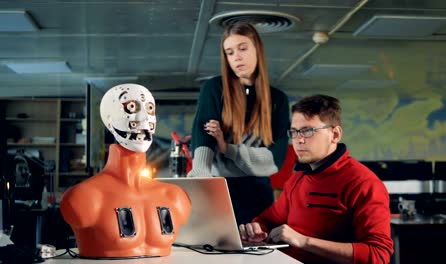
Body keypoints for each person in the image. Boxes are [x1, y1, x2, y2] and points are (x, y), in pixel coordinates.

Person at [239, 95, 393, 264]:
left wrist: (304, 241)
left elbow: (378, 255)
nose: (299, 140)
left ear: (335, 134)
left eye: (307, 131)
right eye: (294, 132)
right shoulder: (297, 180)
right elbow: (268, 220)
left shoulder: (364, 184)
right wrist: (256, 229)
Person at [60, 84, 191, 258]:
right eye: (131, 107)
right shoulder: (83, 197)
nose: (144, 118)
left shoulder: (175, 197)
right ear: (109, 118)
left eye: (149, 109)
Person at [188, 22, 291, 225]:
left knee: (257, 251)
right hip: (218, 187)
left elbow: (275, 159)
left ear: (257, 50)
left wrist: (229, 149)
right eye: (230, 52)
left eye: (243, 48)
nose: (236, 56)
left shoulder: (278, 99)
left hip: (258, 190)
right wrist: (200, 177)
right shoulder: (214, 88)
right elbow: (203, 132)